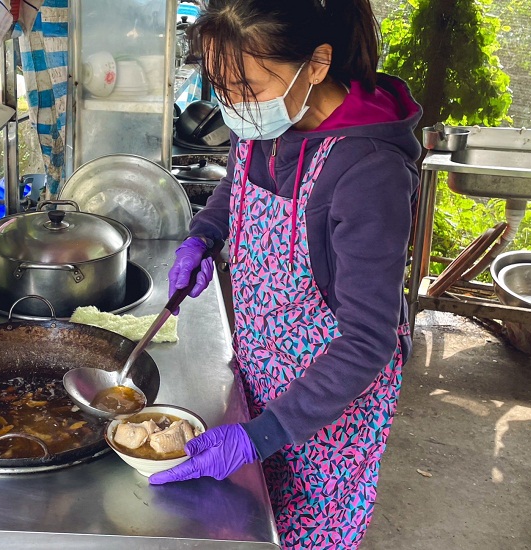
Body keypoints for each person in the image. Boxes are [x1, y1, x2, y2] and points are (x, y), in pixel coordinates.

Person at [148, 1, 422, 548]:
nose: (233, 105)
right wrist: (204, 236)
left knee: (299, 531)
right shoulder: (272, 115)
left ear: (316, 65)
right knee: (244, 518)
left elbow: (369, 340)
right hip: (259, 366)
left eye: (246, 86)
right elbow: (236, 187)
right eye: (220, 86)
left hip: (329, 402)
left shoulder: (368, 170)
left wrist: (262, 436)